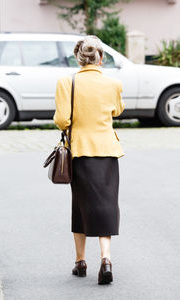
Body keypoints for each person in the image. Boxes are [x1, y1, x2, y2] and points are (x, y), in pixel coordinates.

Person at [53, 35, 125, 285]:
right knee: (106, 204)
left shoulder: (66, 82)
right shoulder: (113, 83)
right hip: (107, 150)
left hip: (80, 151)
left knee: (80, 205)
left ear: (78, 58)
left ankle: (80, 261)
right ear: (101, 57)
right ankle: (106, 259)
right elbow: (117, 110)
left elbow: (62, 120)